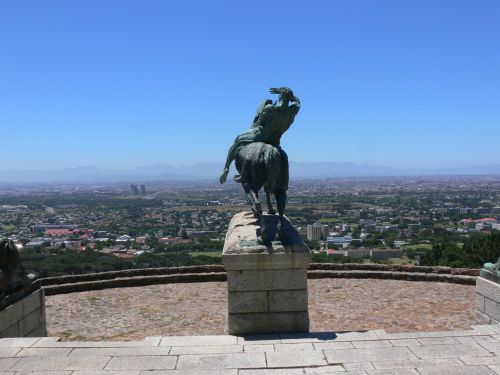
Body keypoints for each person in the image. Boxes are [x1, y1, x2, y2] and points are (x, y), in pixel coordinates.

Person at [220, 87, 300, 183]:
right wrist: (290, 95)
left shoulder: (270, 108)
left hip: (261, 136)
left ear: (280, 96)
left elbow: (259, 123)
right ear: (290, 98)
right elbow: (298, 102)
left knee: (237, 139)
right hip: (275, 141)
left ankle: (226, 169)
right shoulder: (292, 112)